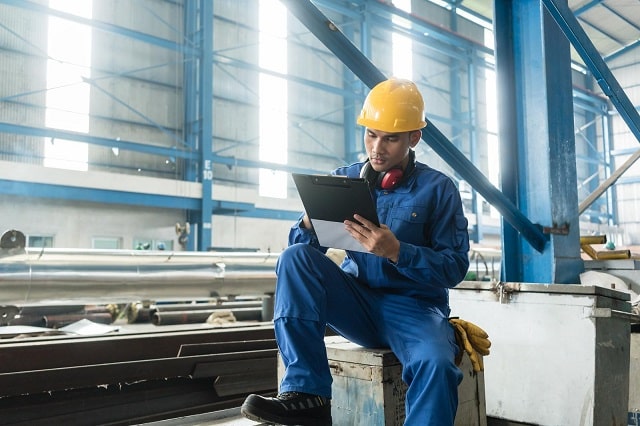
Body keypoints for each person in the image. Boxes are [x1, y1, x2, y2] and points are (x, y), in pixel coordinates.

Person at [241, 78, 470, 425]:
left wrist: (398, 252)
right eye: (371, 134)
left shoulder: (438, 190)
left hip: (414, 310)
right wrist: (309, 222)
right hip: (356, 303)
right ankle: (307, 395)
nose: (377, 148)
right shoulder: (345, 179)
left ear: (413, 138)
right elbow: (300, 262)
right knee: (294, 258)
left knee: (437, 365)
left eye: (391, 138)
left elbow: (453, 269)